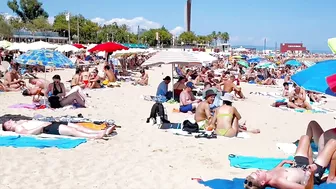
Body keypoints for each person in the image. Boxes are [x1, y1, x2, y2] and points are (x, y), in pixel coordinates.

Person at [244, 135, 336, 188]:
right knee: (333, 142)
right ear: (263, 182)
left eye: (255, 172)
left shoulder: (267, 174)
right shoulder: (279, 182)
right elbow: (306, 188)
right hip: (309, 175)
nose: (257, 171)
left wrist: (283, 162)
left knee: (305, 138)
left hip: (298, 165)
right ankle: (330, 178)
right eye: (257, 174)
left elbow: (275, 170)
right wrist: (311, 173)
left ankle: (310, 162)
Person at [2, 119, 114, 139]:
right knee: (73, 132)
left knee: (78, 126)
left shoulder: (20, 123)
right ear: (8, 127)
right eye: (8, 122)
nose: (10, 120)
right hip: (48, 127)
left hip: (49, 122)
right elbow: (28, 133)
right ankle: (96, 136)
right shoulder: (18, 129)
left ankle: (99, 131)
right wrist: (42, 125)